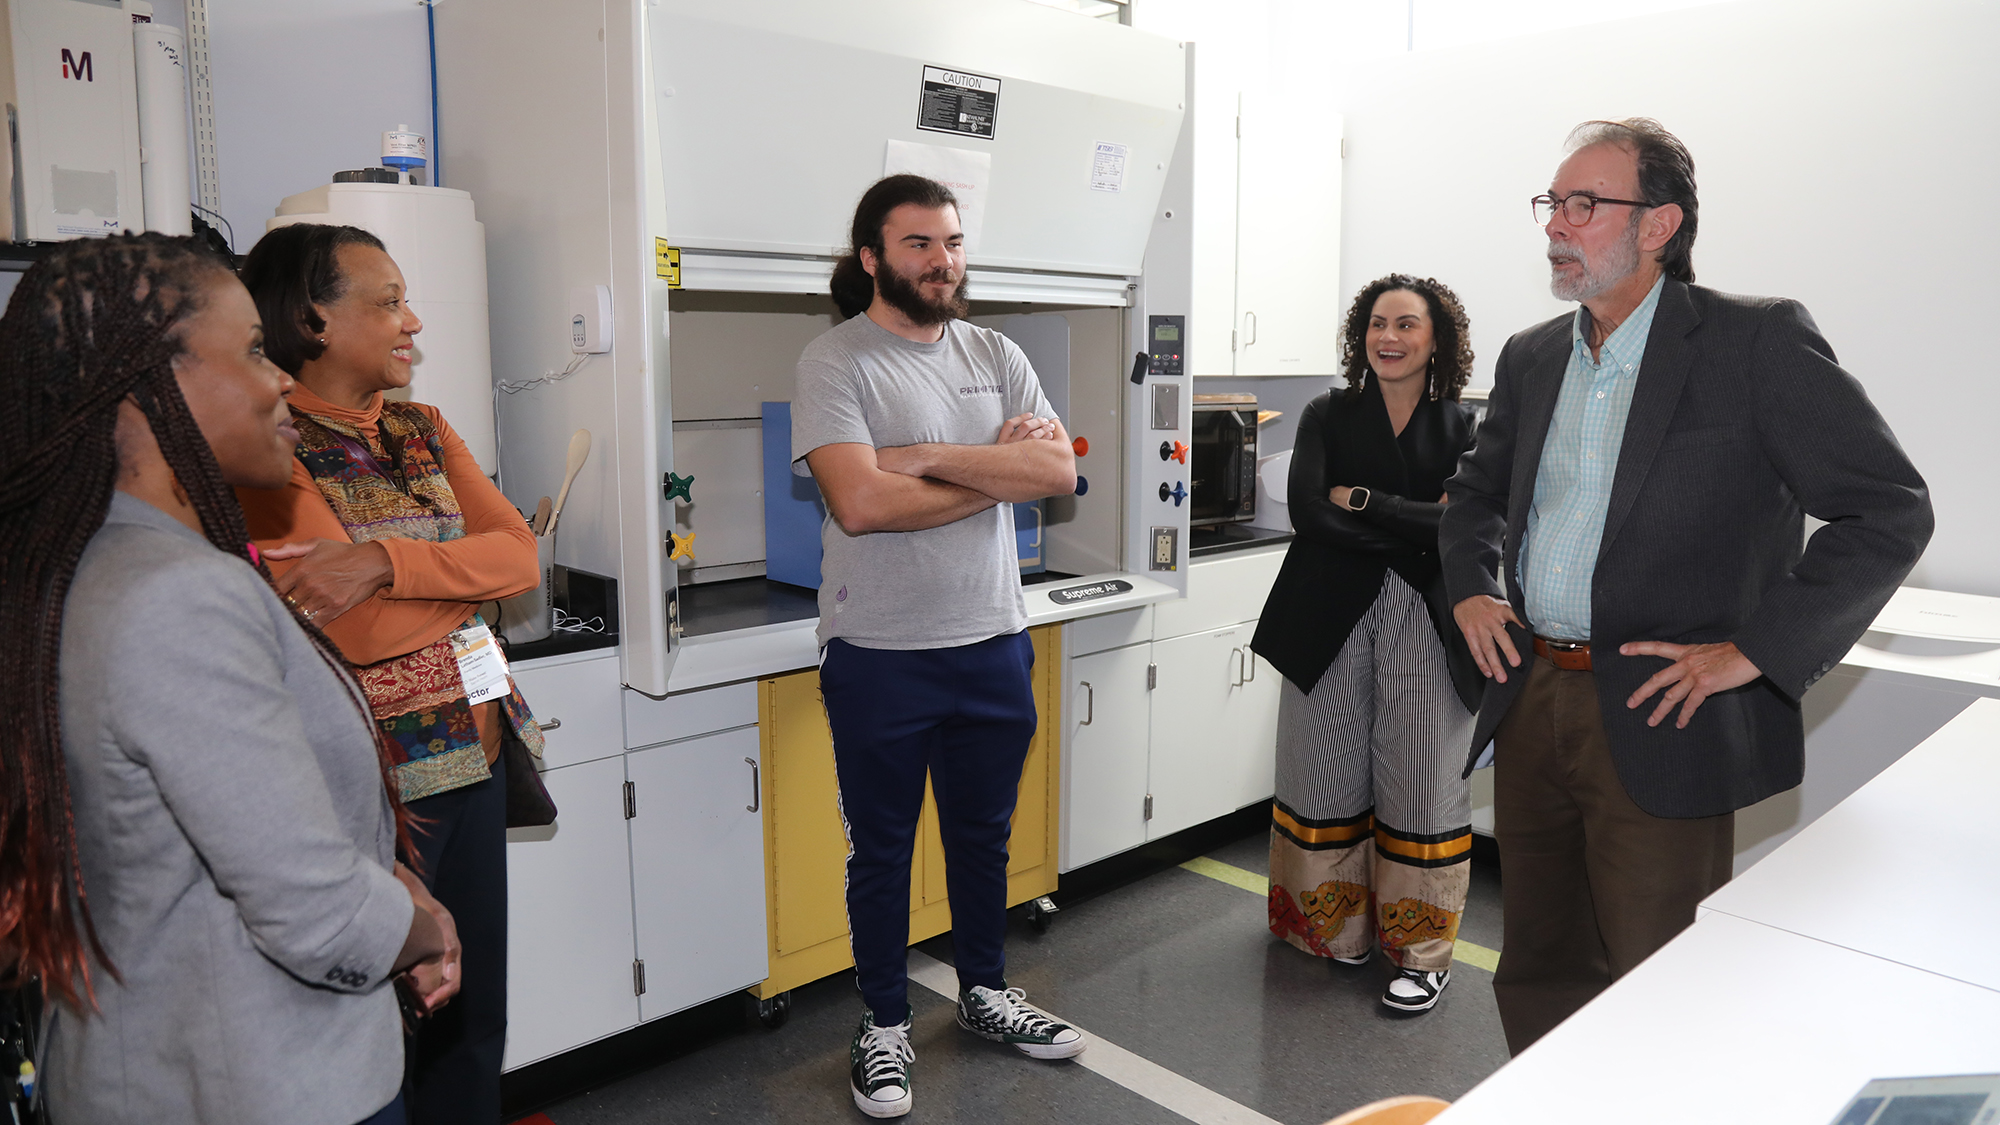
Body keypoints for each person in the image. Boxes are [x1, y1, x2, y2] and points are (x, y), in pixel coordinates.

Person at [1440, 118, 1932, 1053]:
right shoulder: (1533, 354)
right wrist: (1471, 584)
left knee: (1659, 977)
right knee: (1540, 958)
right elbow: (1472, 495)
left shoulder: (1754, 344)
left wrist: (1755, 651)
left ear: (1658, 224)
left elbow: (1888, 508)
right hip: (1532, 691)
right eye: (1553, 202)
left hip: (1662, 710)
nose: (1557, 223)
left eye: (1585, 204)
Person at [0, 233, 460, 1125]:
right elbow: (315, 914)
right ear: (146, 389)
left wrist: (387, 886)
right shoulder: (176, 596)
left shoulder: (79, 568)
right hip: (255, 1081)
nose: (281, 379)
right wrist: (424, 926)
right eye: (252, 350)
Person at [793, 174, 1084, 1119]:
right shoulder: (837, 363)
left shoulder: (995, 351)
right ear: (873, 255)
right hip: (879, 650)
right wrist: (993, 475)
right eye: (919, 243)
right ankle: (883, 1023)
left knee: (982, 839)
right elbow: (861, 502)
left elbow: (1058, 470)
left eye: (952, 242)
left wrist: (920, 455)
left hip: (994, 639)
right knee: (880, 850)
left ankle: (987, 993)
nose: (941, 261)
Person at [236, 223, 539, 1123]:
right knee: (393, 1020)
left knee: (475, 1014)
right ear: (312, 318)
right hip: (379, 784)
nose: (412, 321)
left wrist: (382, 563)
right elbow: (356, 635)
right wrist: (453, 584)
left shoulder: (421, 424)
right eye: (388, 301)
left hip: (475, 756)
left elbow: (519, 557)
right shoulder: (270, 441)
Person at [1253, 275, 1484, 1014]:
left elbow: (1467, 521)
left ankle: (1420, 951)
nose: (1389, 337)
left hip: (1427, 608)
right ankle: (1328, 930)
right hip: (1326, 607)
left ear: (1436, 339)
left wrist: (1369, 503)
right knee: (1320, 768)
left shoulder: (1467, 425)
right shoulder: (1328, 412)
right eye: (1377, 324)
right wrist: (1412, 522)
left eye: (1407, 324)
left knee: (1424, 775)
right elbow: (1309, 513)